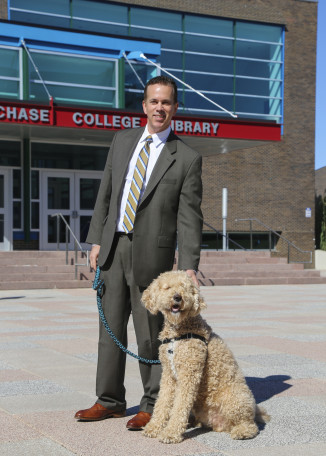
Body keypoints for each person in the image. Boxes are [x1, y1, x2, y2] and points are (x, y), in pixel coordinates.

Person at [74, 75, 203, 429]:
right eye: (153, 101)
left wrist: (189, 265)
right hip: (114, 249)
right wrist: (97, 240)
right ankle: (110, 399)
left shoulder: (187, 158)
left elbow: (190, 217)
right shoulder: (122, 141)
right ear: (144, 106)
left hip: (154, 258)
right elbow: (106, 193)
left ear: (175, 108)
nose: (159, 107)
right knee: (109, 328)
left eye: (166, 102)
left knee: (150, 333)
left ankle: (153, 402)